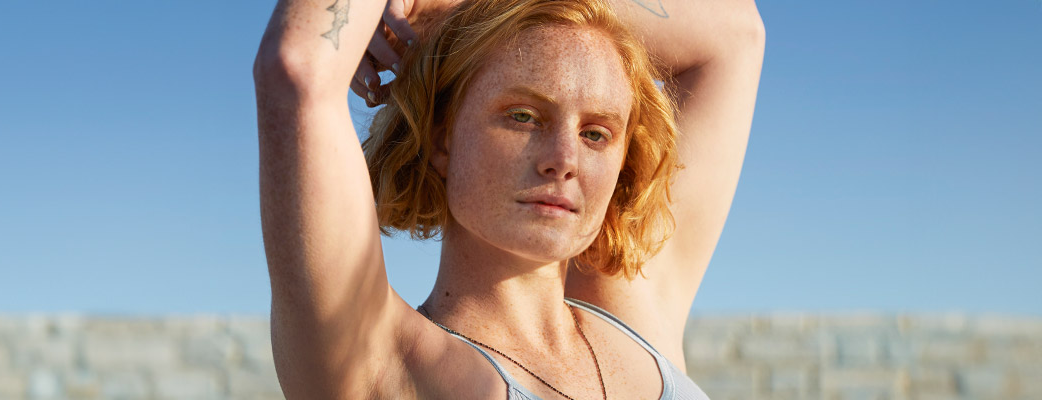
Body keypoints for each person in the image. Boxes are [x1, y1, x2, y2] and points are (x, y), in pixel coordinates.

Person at [252, 0, 764, 398]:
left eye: (596, 134)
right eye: (523, 116)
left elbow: (735, 32)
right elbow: (296, 69)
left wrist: (473, 5)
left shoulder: (636, 312)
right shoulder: (388, 366)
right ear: (440, 140)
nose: (564, 158)